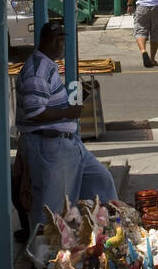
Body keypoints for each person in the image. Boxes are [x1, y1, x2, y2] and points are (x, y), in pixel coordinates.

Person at [16, 21, 116, 248]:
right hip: (50, 145)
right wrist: (68, 111)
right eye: (59, 39)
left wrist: (71, 105)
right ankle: (47, 259)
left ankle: (103, 238)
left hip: (71, 144)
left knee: (100, 181)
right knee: (54, 210)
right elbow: (34, 112)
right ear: (48, 41)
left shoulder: (48, 65)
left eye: (63, 39)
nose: (62, 44)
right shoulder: (37, 70)